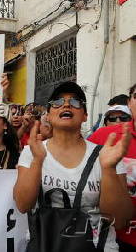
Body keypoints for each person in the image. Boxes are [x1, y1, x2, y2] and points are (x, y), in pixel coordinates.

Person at [13, 81, 133, 252]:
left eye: (76, 102)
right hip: (44, 244)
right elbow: (23, 205)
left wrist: (108, 169)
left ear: (85, 115)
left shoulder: (107, 155)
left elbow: (120, 220)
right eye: (58, 102)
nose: (67, 104)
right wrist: (37, 161)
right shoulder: (32, 151)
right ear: (48, 113)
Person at [88, 83, 136, 252]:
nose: (117, 121)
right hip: (116, 239)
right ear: (129, 103)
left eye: (121, 117)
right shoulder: (104, 136)